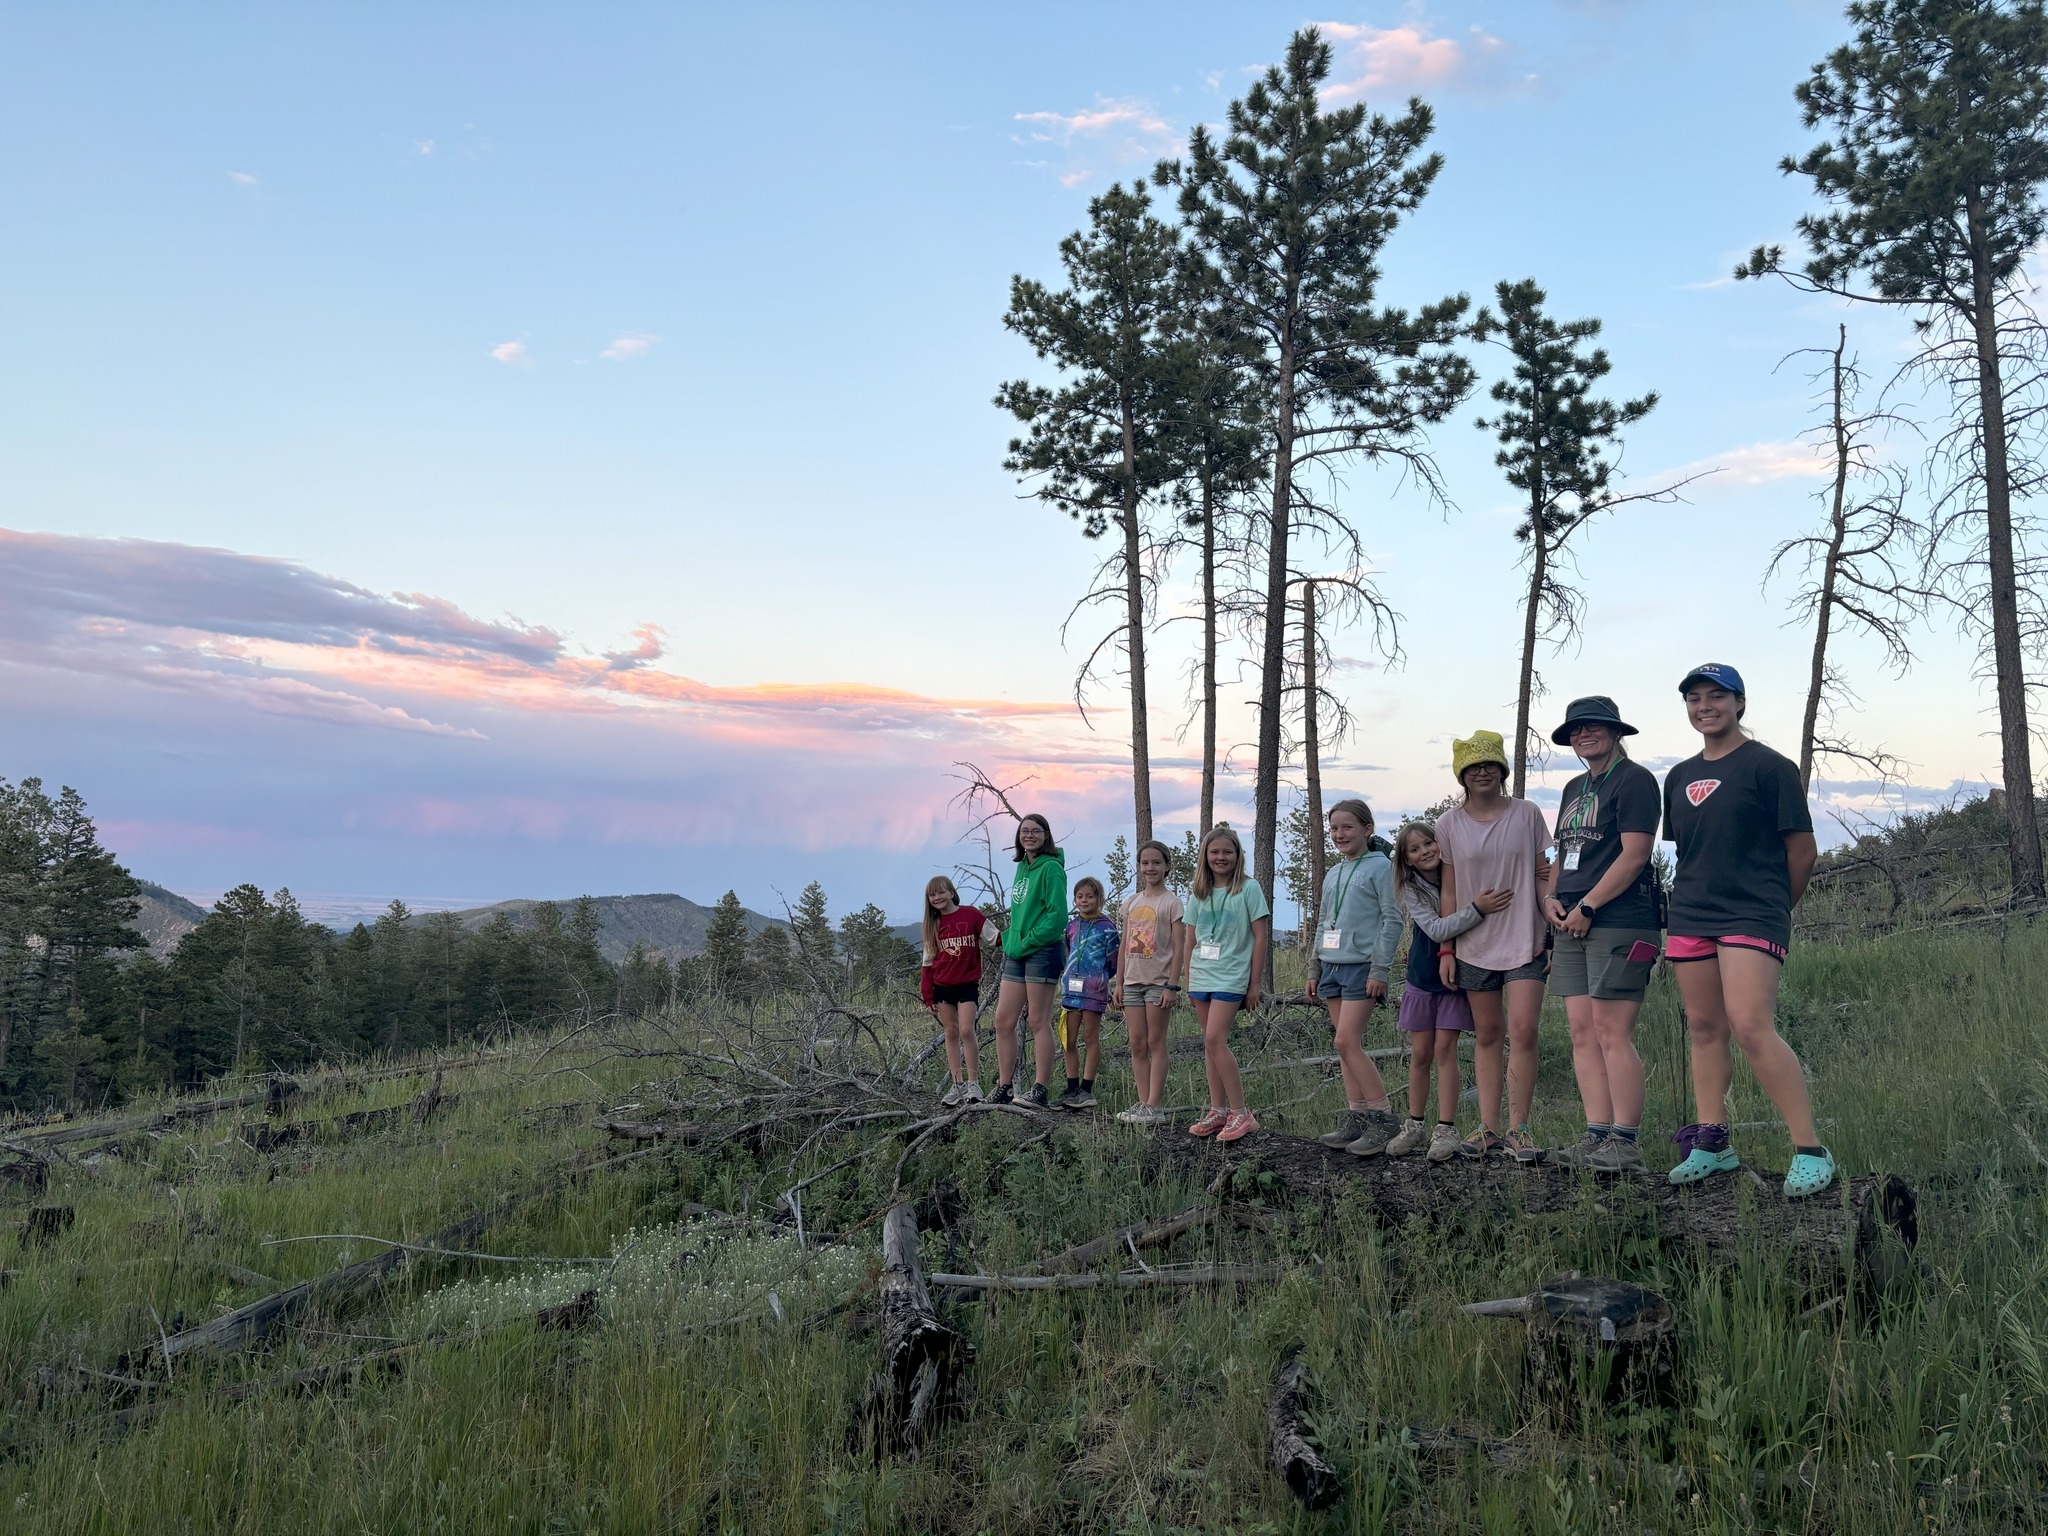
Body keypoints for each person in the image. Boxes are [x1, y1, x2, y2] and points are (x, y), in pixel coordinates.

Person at [1662, 664, 1834, 1198]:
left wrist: (1776, 907)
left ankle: (1810, 1150)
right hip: (1690, 915)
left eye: (1717, 696)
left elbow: (1802, 850)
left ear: (1740, 703)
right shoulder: (1679, 775)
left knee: (1751, 1025)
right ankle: (1712, 1143)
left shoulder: (1769, 767)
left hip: (1752, 914)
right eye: (1694, 697)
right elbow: (1690, 852)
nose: (1704, 705)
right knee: (1705, 1028)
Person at [1540, 697, 1664, 1174]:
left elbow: (1635, 854)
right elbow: (1562, 853)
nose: (1584, 735)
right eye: (1576, 730)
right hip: (1569, 919)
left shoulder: (1635, 781)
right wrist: (1550, 900)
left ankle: (1625, 1141)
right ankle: (1596, 1134)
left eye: (1594, 727)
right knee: (1582, 1032)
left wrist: (1591, 903)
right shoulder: (1574, 786)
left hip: (1618, 918)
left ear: (1616, 732)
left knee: (1613, 1031)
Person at [1433, 730, 1553, 1163]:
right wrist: (1446, 947)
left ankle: (1519, 1129)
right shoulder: (1448, 824)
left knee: (1523, 1030)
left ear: (1502, 770)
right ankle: (1488, 1128)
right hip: (1471, 944)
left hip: (1526, 940)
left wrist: (1549, 927)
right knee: (1487, 1034)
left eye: (1490, 765)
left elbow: (1544, 873)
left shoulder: (1527, 814)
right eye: (1473, 766)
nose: (1482, 771)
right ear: (1461, 775)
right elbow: (1448, 891)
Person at [1385, 821, 1502, 1161]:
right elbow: (1437, 929)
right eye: (1415, 849)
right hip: (1422, 976)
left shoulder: (1461, 875)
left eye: (1428, 844)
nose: (1425, 852)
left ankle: (1446, 1129)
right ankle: (1414, 1125)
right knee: (1421, 1054)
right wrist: (1477, 909)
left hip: (1455, 978)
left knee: (1445, 1051)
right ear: (1406, 859)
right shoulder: (1411, 889)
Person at [1307, 799, 1405, 1156]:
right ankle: (1357, 1116)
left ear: (1367, 830)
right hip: (1331, 964)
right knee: (1346, 1048)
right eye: (1334, 828)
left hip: (1362, 966)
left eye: (1347, 827)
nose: (1339, 834)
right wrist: (1314, 967)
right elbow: (1322, 922)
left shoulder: (1382, 868)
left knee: (1346, 1042)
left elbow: (1392, 921)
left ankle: (1383, 1119)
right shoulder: (1334, 872)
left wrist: (1380, 969)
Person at [1180, 825, 1269, 1144]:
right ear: (1205, 855)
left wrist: (1254, 983)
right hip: (1202, 976)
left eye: (1227, 852)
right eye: (1215, 852)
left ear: (1237, 856)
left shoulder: (1249, 888)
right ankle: (1218, 1110)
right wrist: (1188, 980)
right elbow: (1190, 940)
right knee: (1208, 1043)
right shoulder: (1199, 891)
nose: (1221, 857)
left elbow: (1261, 937)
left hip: (1232, 975)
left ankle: (1241, 1112)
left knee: (1216, 1039)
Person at [989, 813, 1068, 1109]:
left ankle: (1040, 1089)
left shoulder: (1051, 869)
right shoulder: (1023, 867)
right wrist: (1011, 940)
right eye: (1024, 831)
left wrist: (1026, 940)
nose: (1029, 835)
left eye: (1036, 831)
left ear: (1046, 835)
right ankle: (1004, 1086)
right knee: (1003, 1020)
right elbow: (1022, 914)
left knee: (1037, 1020)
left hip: (1043, 950)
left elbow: (1057, 916)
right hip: (1018, 952)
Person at [1113, 840, 1184, 1125]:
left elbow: (1179, 947)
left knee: (1156, 1041)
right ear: (1139, 867)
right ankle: (1143, 1104)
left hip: (1158, 983)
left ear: (1166, 866)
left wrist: (1172, 985)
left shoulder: (1172, 902)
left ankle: (1155, 1105)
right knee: (1137, 1043)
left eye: (1156, 862)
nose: (1150, 867)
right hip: (1131, 982)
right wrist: (1118, 984)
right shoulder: (1131, 903)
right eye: (1145, 863)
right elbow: (1123, 946)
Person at [919, 875, 996, 1106]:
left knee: (966, 1030)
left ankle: (973, 1084)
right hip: (942, 986)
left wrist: (1021, 935)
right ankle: (957, 1085)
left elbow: (994, 937)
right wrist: (927, 994)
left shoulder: (971, 914)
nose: (937, 898)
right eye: (932, 895)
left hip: (967, 984)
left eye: (941, 892)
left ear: (952, 892)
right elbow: (927, 961)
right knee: (950, 1033)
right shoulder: (932, 924)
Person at [1055, 877, 1118, 1111]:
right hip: (1071, 991)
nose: (1084, 900)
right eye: (1080, 896)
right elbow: (1067, 953)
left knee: (1090, 1038)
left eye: (1089, 896)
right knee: (1068, 1040)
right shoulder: (1072, 926)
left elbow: (1113, 962)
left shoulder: (1107, 927)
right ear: (1074, 899)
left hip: (1094, 991)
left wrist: (1099, 979)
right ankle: (1071, 1087)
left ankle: (1086, 1089)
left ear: (1099, 899)